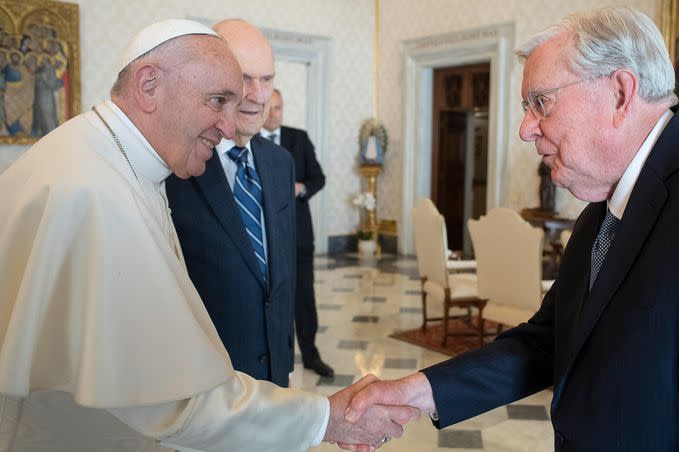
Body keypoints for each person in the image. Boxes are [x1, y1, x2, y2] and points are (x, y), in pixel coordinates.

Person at [345, 6, 679, 451]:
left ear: (621, 92)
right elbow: (549, 342)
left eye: (541, 102)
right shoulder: (605, 204)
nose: (526, 129)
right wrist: (420, 390)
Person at [0, 19, 417, 452]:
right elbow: (175, 399)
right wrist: (325, 419)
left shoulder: (105, 158)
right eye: (217, 100)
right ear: (148, 85)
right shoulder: (96, 193)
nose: (227, 124)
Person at [166, 19, 298, 388]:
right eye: (245, 78)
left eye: (268, 79)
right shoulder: (174, 165)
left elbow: (284, 271)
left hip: (275, 374)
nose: (258, 95)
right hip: (205, 379)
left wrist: (284, 354)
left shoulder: (279, 162)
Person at [260, 88, 334, 378]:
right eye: (270, 108)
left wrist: (300, 188)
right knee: (274, 298)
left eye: (279, 108)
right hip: (266, 238)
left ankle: (311, 354)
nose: (275, 114)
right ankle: (278, 357)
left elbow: (319, 177)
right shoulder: (249, 142)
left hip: (299, 235)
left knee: (304, 297)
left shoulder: (298, 138)